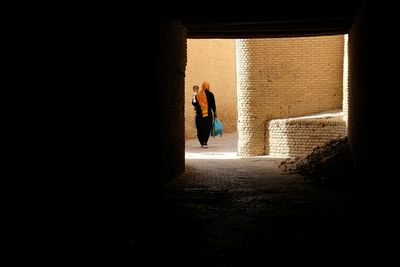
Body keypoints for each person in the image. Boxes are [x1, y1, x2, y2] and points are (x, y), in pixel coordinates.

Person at [192, 81, 217, 148]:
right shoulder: (211, 94)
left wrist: (194, 95)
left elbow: (194, 103)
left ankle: (201, 141)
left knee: (199, 128)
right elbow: (213, 105)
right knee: (207, 128)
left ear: (202, 86)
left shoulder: (198, 94)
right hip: (208, 115)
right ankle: (205, 142)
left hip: (199, 115)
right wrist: (215, 114)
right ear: (208, 87)